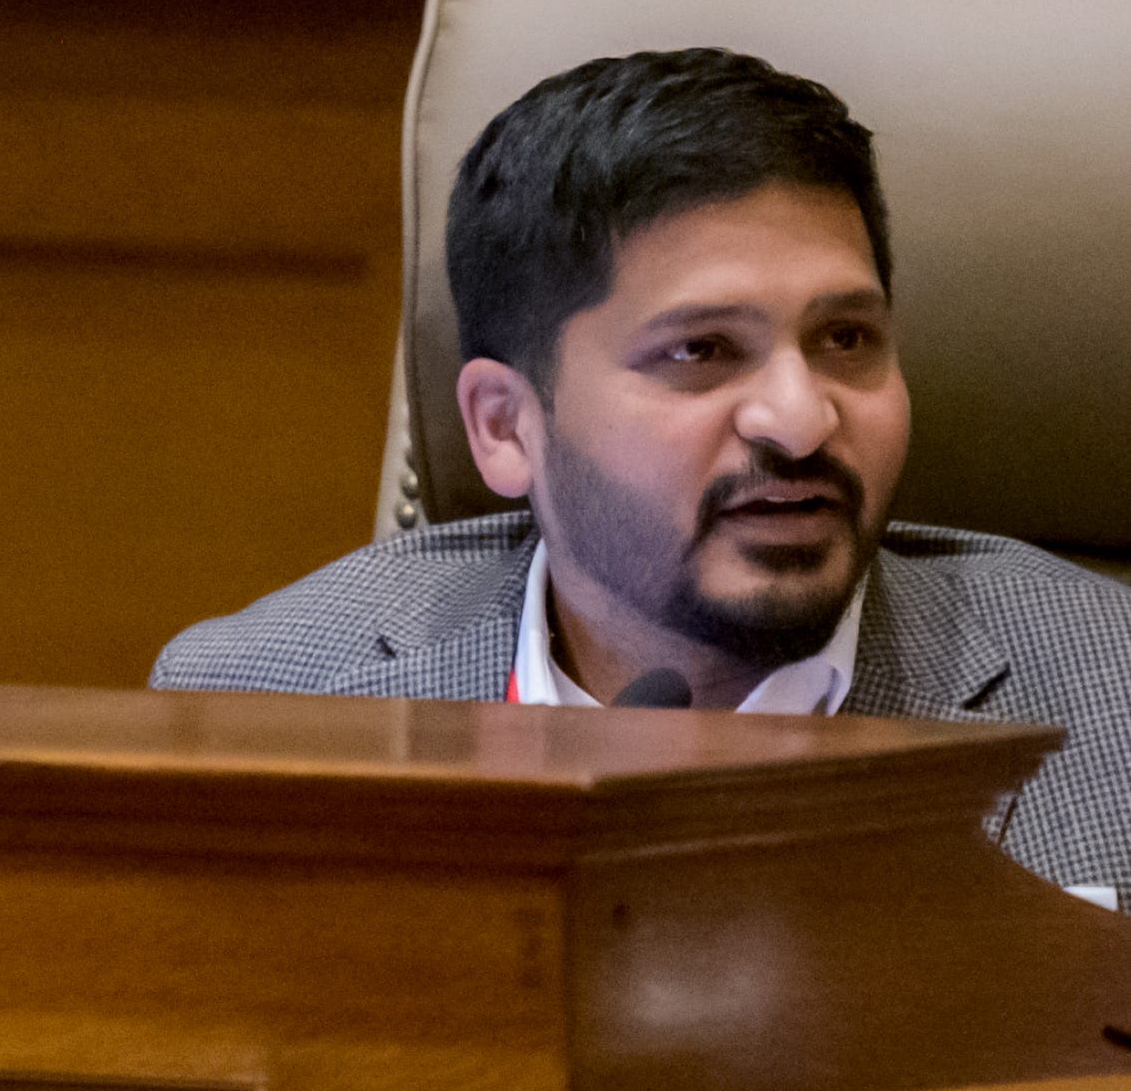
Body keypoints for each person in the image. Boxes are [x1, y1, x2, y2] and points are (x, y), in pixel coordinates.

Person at [153, 46, 1131, 904]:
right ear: (505, 427)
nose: (800, 418)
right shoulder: (260, 715)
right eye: (700, 351)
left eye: (846, 338)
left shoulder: (1114, 698)